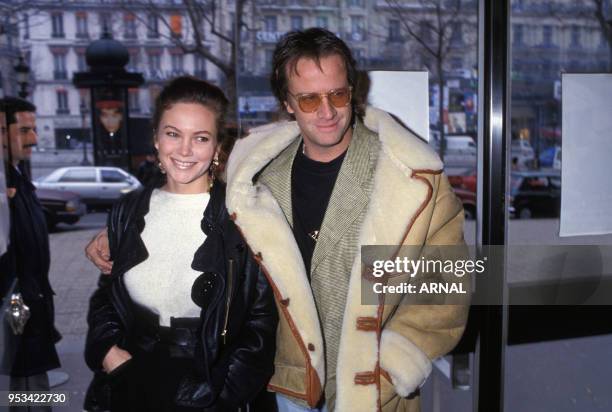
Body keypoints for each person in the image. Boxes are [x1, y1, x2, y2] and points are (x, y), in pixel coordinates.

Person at [86, 29, 469, 411]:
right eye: (308, 99)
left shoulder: (410, 178)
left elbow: (452, 280)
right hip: (286, 389)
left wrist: (394, 364)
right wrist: (122, 229)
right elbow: (186, 186)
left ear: (353, 91)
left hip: (375, 391)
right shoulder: (255, 172)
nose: (326, 111)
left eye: (337, 94)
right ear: (287, 102)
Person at [84, 76, 277, 412]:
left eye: (200, 138)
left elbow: (260, 327)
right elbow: (107, 295)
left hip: (209, 385)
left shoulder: (243, 217)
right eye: (173, 134)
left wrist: (220, 394)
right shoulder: (128, 211)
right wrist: (108, 352)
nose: (185, 150)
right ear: (157, 138)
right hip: (130, 380)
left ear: (217, 147)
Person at [0, 97, 61, 409]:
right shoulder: (6, 185)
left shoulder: (16, 178)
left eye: (34, 130)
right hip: (17, 306)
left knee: (30, 385)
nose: (34, 139)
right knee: (28, 391)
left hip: (27, 302)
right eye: (24, 131)